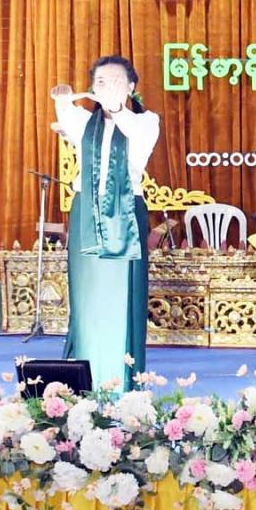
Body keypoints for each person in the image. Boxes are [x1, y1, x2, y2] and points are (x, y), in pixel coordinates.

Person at [52, 56, 160, 389]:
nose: (107, 87)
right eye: (100, 82)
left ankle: (122, 380)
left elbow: (135, 138)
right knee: (87, 297)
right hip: (86, 210)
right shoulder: (84, 121)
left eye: (116, 81)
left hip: (125, 211)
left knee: (121, 296)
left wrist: (115, 108)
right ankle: (85, 378)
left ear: (131, 87)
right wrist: (62, 98)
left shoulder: (146, 121)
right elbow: (66, 114)